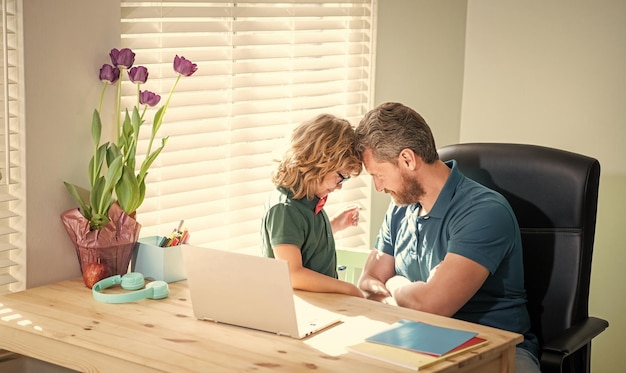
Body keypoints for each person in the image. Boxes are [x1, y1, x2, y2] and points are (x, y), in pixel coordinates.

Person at [354, 102, 541, 372]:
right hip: (417, 341)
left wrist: (395, 283)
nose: (378, 187)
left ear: (408, 159)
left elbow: (431, 305)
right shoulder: (399, 208)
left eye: (378, 175)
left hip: (492, 347)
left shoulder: (484, 211)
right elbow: (369, 283)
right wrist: (411, 295)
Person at [261, 114, 364, 298]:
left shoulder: (307, 200)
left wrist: (334, 225)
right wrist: (348, 288)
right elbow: (292, 274)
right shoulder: (285, 209)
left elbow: (304, 241)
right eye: (341, 177)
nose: (340, 186)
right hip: (301, 309)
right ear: (319, 162)